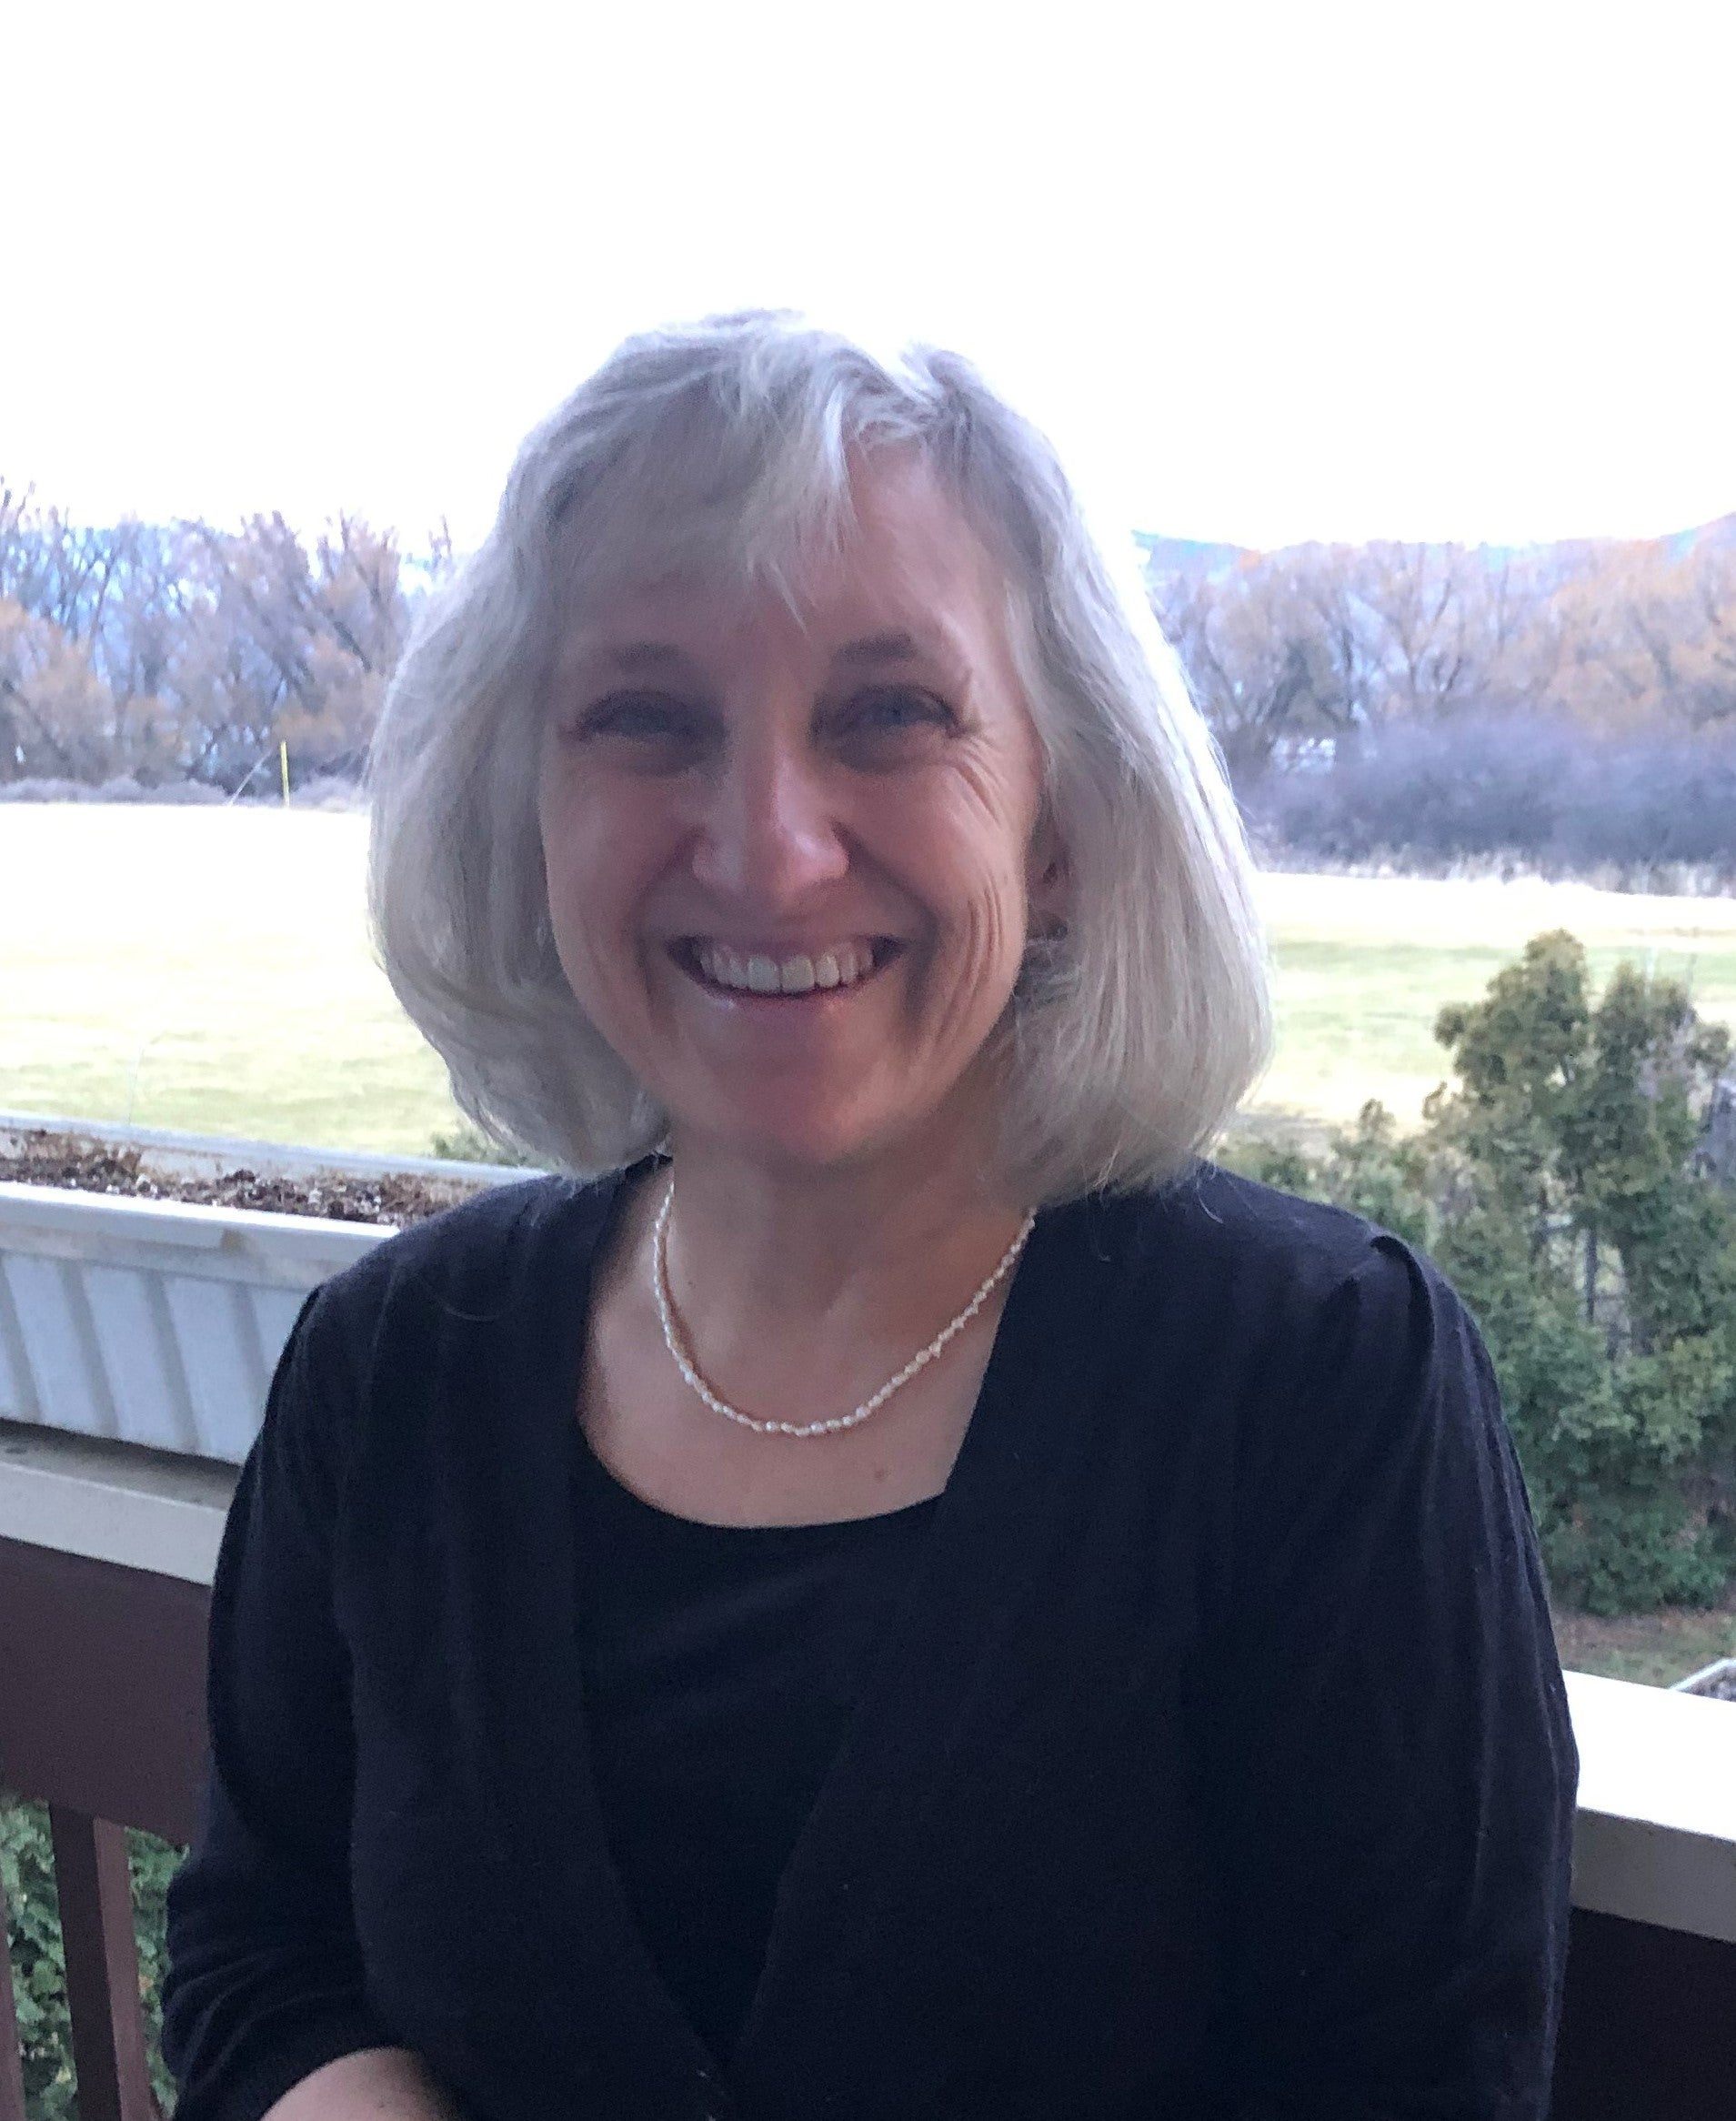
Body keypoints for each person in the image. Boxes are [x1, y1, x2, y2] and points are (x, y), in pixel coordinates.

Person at [161, 313, 1576, 2121]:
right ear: (530, 810)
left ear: (1056, 819)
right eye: (646, 719)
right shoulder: (392, 1368)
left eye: (889, 712)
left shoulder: (1318, 1385)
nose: (767, 846)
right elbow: (260, 1947)